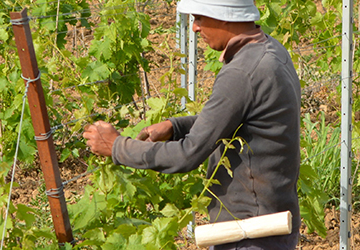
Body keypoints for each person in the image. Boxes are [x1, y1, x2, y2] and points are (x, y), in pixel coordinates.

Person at [82, 0, 300, 248]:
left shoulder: (242, 72)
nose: (195, 28)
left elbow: (187, 154)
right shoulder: (270, 50)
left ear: (225, 15)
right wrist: (175, 126)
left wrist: (117, 147)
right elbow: (238, 119)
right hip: (273, 222)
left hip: (250, 233)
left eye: (199, 18)